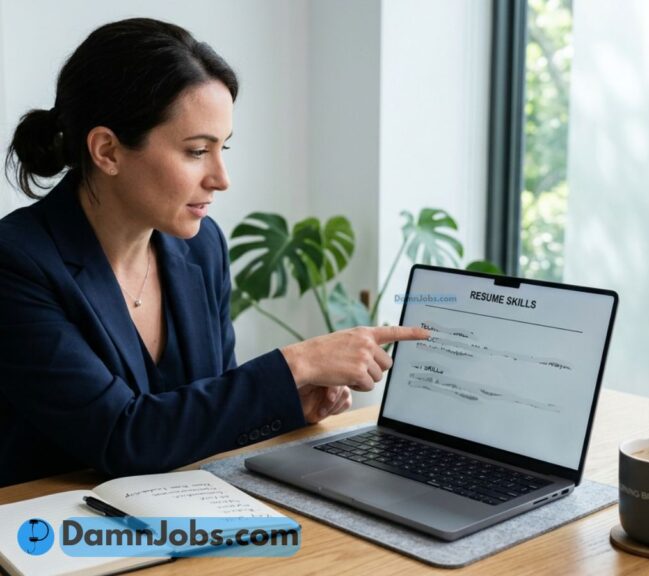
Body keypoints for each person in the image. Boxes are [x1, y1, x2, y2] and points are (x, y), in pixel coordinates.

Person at [0, 18, 428, 488]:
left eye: (223, 147)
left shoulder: (201, 247)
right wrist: (297, 365)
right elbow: (122, 437)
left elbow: (207, 405)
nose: (221, 177)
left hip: (179, 513)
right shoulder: (17, 262)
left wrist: (287, 406)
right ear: (107, 151)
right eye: (197, 151)